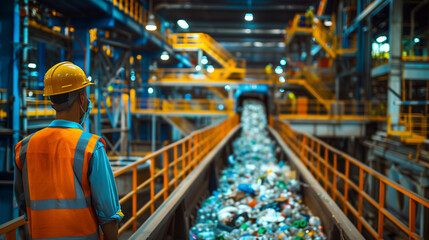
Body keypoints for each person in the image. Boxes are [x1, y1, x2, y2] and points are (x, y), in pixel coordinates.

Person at [14, 62, 123, 240]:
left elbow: (23, 203)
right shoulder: (91, 147)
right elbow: (108, 214)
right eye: (86, 95)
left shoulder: (24, 147)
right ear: (81, 98)